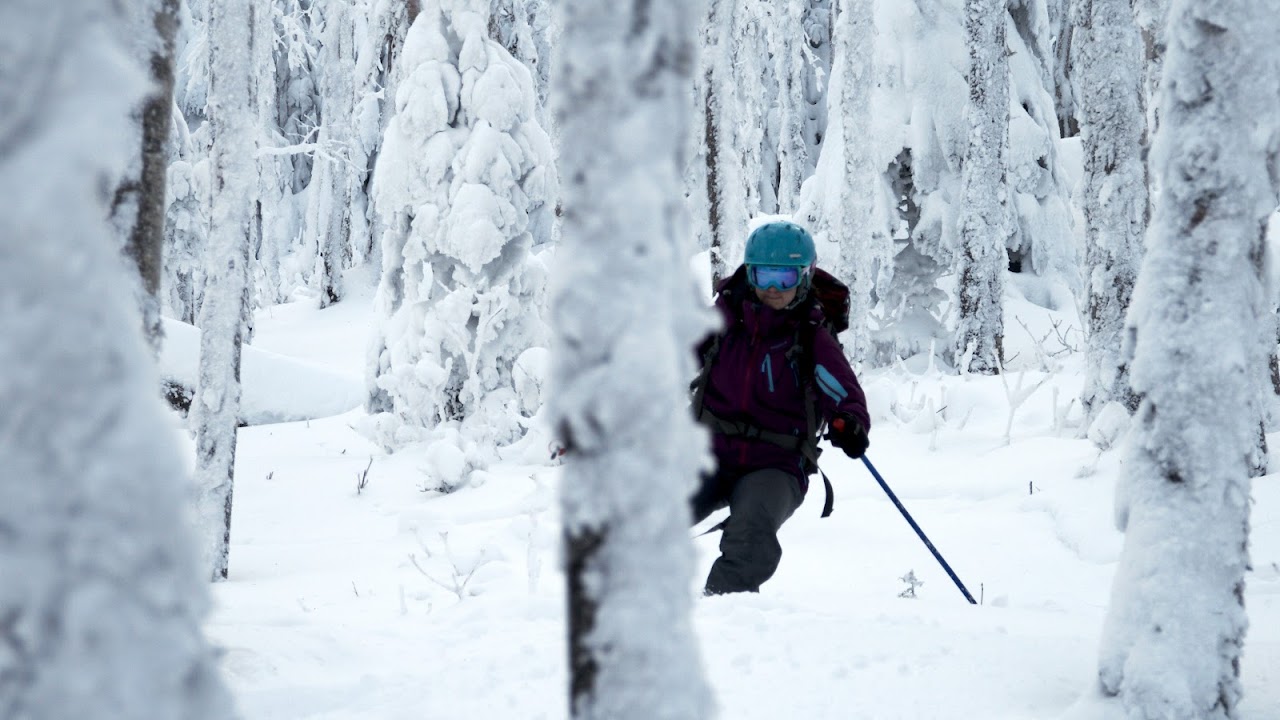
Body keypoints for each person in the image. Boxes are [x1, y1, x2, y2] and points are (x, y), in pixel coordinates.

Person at [691, 220, 870, 596]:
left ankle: (722, 610)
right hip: (709, 453)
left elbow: (843, 391)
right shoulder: (723, 318)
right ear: (750, 274)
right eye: (764, 275)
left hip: (776, 463)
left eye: (784, 277)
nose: (773, 288)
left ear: (804, 277)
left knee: (751, 533)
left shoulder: (811, 335)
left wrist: (848, 422)